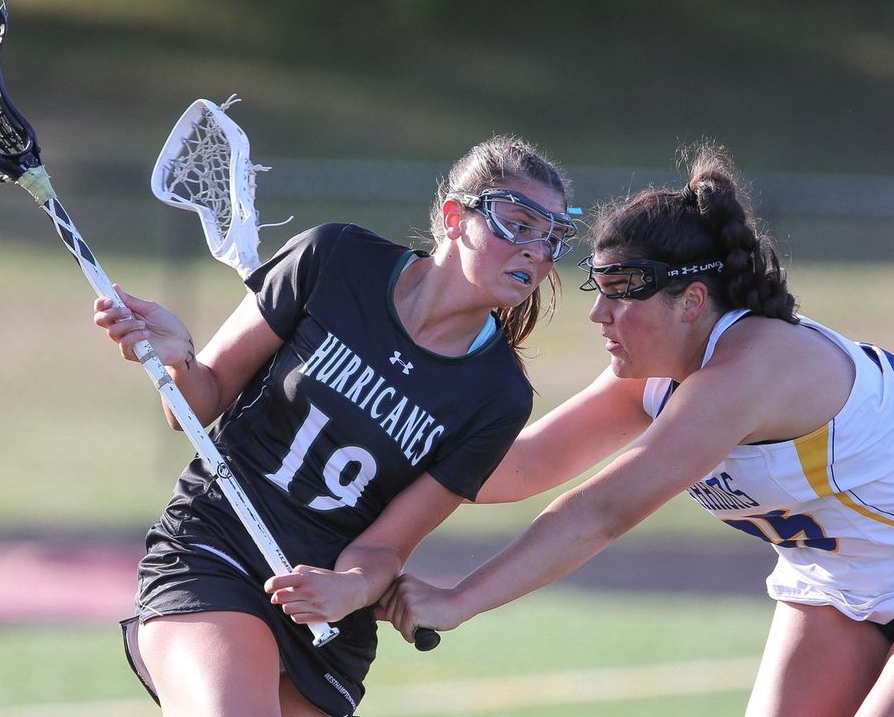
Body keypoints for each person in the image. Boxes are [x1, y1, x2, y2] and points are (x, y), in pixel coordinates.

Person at [378, 143, 894, 717]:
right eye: (599, 293)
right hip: (835, 584)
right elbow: (518, 468)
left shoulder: (755, 368)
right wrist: (366, 418)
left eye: (622, 298)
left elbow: (600, 513)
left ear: (693, 303)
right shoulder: (649, 372)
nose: (599, 319)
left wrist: (458, 599)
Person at [93, 135, 578, 717]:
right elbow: (196, 406)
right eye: (517, 224)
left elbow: (385, 545)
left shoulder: (499, 395)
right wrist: (178, 360)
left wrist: (346, 588)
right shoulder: (335, 257)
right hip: (216, 548)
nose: (536, 250)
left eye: (551, 237)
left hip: (326, 613)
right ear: (455, 216)